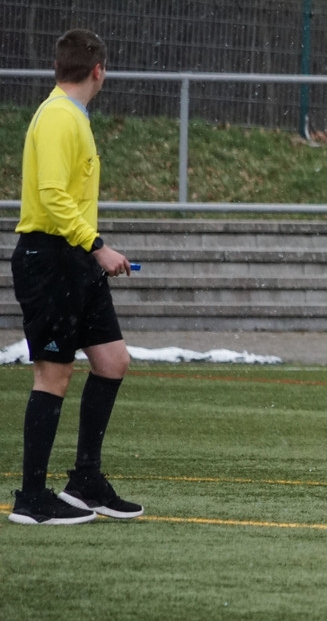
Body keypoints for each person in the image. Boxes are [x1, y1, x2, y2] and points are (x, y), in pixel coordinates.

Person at [7, 28, 143, 525]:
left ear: (57, 67)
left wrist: (91, 251)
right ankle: (31, 498)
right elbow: (52, 195)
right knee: (54, 372)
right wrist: (98, 245)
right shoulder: (59, 116)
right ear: (99, 71)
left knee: (112, 360)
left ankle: (85, 481)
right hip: (50, 257)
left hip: (75, 258)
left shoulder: (72, 115)